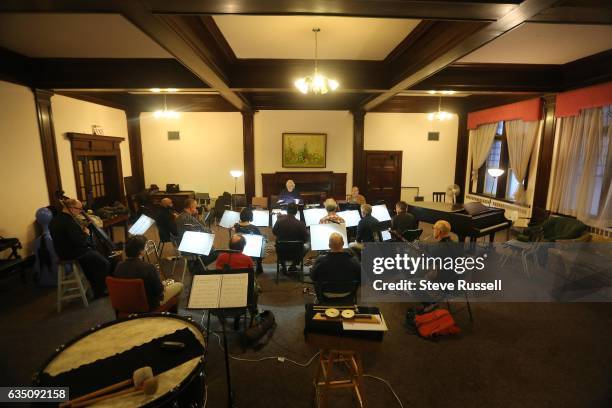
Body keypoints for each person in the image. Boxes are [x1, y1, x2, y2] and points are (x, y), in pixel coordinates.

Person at [49, 198, 109, 298]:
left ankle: (94, 287)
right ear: (71, 208)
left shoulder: (55, 220)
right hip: (74, 252)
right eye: (79, 209)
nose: (81, 211)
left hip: (61, 252)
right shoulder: (69, 221)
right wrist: (86, 233)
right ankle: (99, 290)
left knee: (91, 260)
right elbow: (80, 242)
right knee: (104, 263)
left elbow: (69, 237)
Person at [115, 235, 183, 311]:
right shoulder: (149, 268)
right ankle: (170, 318)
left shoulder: (119, 266)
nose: (146, 248)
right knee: (179, 285)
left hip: (127, 303)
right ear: (141, 251)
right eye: (145, 247)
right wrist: (163, 285)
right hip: (149, 305)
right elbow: (159, 291)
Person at [311, 233, 361, 302]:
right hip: (348, 295)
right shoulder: (353, 261)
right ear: (343, 243)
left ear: (329, 245)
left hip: (325, 296)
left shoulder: (320, 261)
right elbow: (360, 278)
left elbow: (313, 277)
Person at [175, 198, 217, 266]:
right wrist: (211, 231)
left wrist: (195, 216)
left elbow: (197, 228)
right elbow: (202, 228)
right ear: (190, 207)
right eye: (195, 207)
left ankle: (197, 262)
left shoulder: (180, 216)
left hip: (182, 242)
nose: (196, 209)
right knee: (214, 251)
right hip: (188, 245)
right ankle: (198, 266)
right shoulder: (189, 218)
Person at [272, 202, 309, 273]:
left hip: (281, 251)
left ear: (287, 211)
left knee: (278, 243)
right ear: (296, 212)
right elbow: (305, 239)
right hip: (296, 252)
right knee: (307, 246)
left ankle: (283, 267)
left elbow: (274, 232)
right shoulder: (300, 224)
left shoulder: (279, 221)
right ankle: (293, 266)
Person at [232, 208, 264, 275]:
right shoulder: (254, 228)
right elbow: (260, 239)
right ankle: (259, 266)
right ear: (250, 216)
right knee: (262, 245)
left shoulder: (236, 226)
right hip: (252, 254)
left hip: (239, 251)